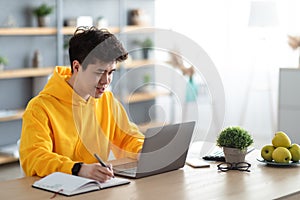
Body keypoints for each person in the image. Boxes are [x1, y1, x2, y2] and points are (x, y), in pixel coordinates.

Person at [19, 26, 144, 182]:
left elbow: (128, 138)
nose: (106, 81)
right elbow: (35, 158)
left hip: (96, 189)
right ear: (76, 67)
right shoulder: (39, 108)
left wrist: (142, 151)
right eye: (99, 72)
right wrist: (78, 169)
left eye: (111, 72)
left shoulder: (108, 101)